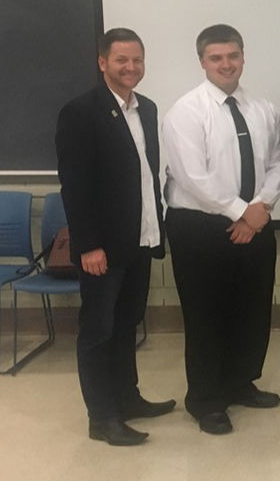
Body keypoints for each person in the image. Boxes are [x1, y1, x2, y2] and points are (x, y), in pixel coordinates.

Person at [162, 24, 280, 435]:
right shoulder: (186, 111)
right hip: (200, 227)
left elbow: (277, 164)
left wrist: (260, 208)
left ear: (243, 57)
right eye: (216, 57)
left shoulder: (263, 109)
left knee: (252, 309)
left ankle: (240, 382)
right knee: (207, 314)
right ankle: (205, 399)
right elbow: (193, 177)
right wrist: (241, 212)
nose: (226, 64)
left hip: (255, 220)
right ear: (202, 62)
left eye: (232, 55)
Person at [56, 28, 175, 446]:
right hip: (102, 248)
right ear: (102, 62)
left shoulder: (148, 109)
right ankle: (102, 417)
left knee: (126, 325)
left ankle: (128, 398)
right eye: (121, 60)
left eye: (137, 60)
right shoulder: (80, 111)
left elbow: (146, 176)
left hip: (140, 239)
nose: (131, 67)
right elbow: (75, 185)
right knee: (98, 331)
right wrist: (88, 245)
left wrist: (155, 229)